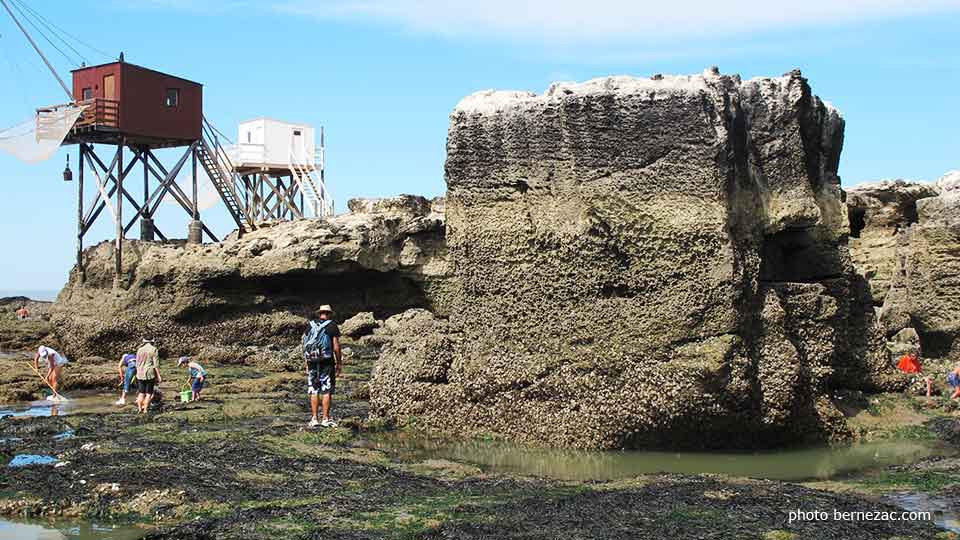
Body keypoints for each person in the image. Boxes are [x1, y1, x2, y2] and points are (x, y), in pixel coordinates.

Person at [301, 305, 342, 428]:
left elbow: (304, 344)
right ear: (329, 314)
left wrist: (306, 362)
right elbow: (336, 346)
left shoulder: (310, 325)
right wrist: (339, 363)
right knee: (327, 390)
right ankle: (325, 419)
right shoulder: (332, 325)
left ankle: (314, 419)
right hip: (327, 361)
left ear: (320, 313)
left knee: (313, 390)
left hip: (312, 360)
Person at [135, 338, 162, 414]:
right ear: (152, 341)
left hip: (139, 373)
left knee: (141, 393)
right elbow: (156, 365)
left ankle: (140, 409)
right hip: (149, 373)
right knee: (148, 393)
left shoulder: (139, 349)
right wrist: (159, 376)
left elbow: (137, 363)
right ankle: (145, 410)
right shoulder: (154, 349)